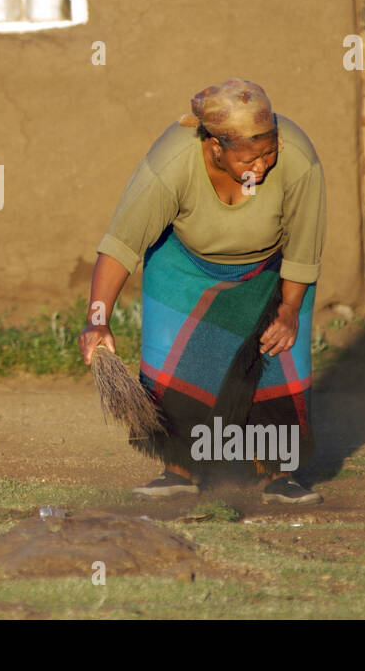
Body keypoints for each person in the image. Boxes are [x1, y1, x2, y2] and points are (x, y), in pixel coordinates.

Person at [78, 79, 327, 504]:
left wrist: (288, 309)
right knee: (177, 367)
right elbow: (122, 244)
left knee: (277, 365)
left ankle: (278, 474)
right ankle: (177, 470)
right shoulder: (172, 162)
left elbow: (305, 246)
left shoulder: (298, 159)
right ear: (214, 146)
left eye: (269, 152)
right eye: (250, 157)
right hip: (184, 266)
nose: (262, 166)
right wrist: (97, 319)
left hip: (270, 269)